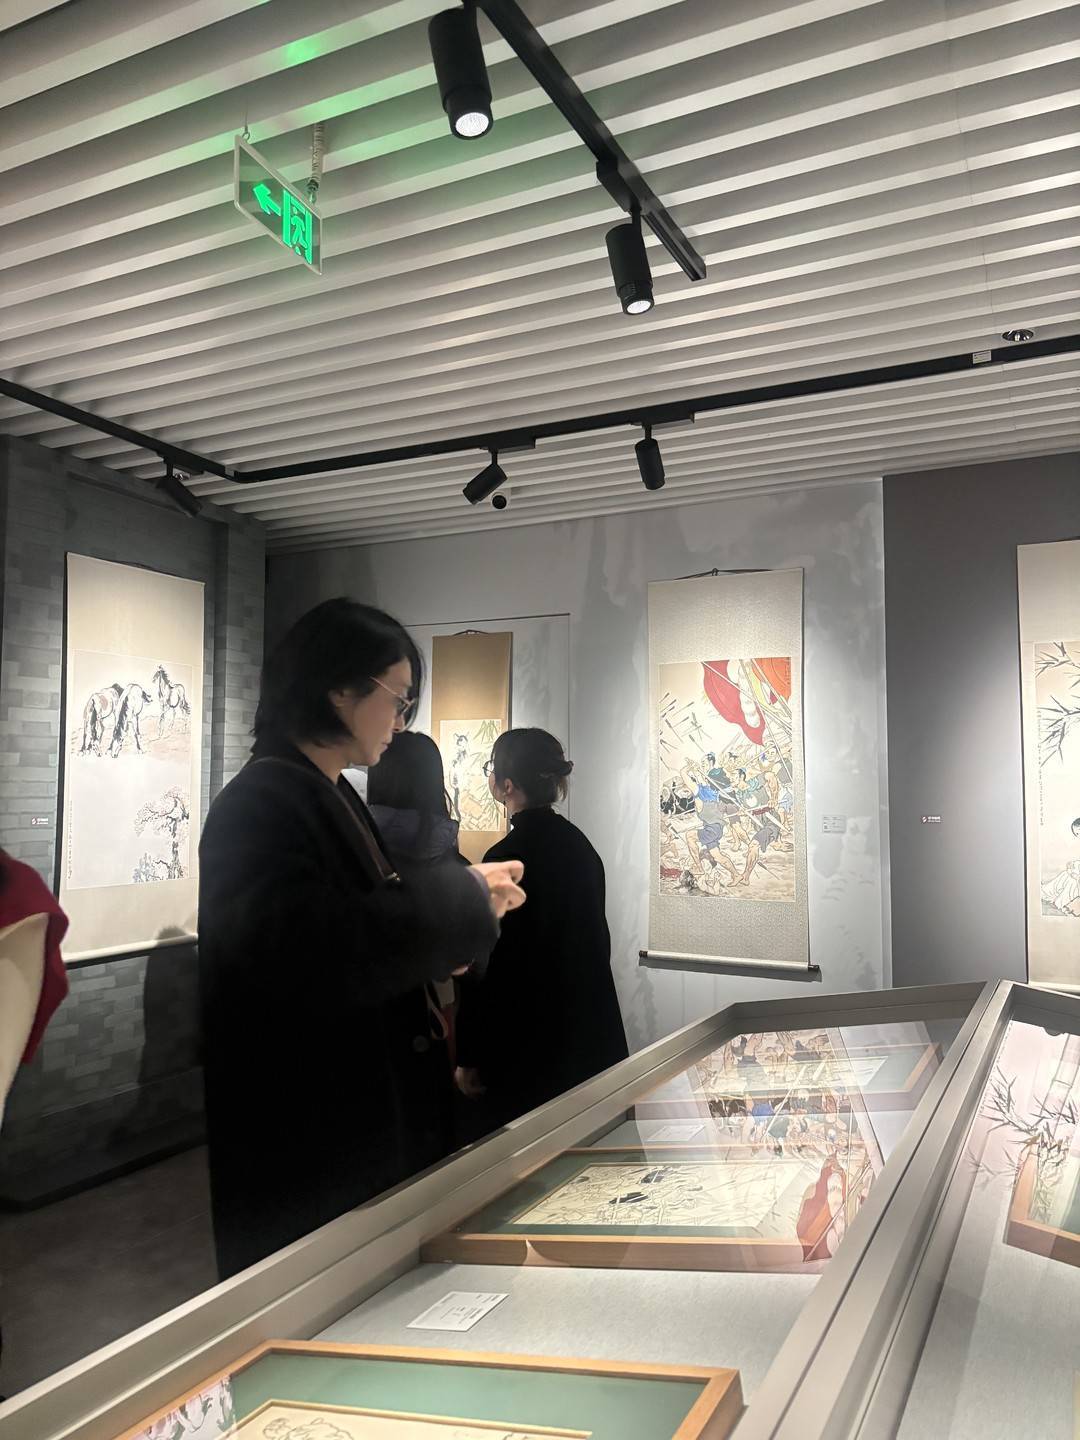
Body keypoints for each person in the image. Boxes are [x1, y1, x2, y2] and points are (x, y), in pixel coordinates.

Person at [198, 599, 525, 1279]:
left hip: (352, 1123)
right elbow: (312, 953)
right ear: (339, 690)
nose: (401, 721)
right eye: (397, 699)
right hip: (308, 1136)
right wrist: (459, 902)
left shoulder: (324, 792)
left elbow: (360, 928)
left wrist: (451, 933)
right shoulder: (261, 803)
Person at [454, 728, 628, 1130]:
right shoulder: (580, 846)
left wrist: (470, 1052)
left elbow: (486, 966)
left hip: (524, 1042)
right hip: (586, 1033)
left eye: (492, 768)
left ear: (508, 786)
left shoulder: (506, 858)